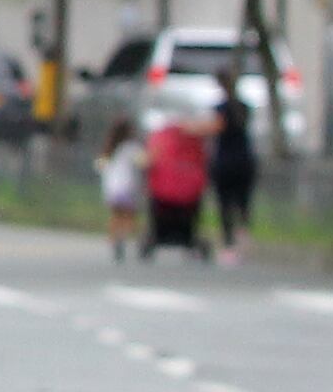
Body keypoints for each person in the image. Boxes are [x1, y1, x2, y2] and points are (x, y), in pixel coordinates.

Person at [143, 99, 211, 258]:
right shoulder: (187, 141)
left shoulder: (166, 138)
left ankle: (171, 235)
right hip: (183, 191)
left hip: (168, 190)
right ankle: (185, 237)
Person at [210, 83, 260, 261]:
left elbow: (216, 127)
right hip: (245, 161)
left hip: (225, 163)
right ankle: (244, 234)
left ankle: (229, 244)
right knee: (243, 202)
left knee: (225, 205)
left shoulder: (221, 109)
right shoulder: (245, 108)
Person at [98, 119, 146, 260]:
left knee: (115, 216)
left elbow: (100, 166)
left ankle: (114, 240)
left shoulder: (109, 148)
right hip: (127, 187)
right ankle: (124, 237)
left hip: (111, 189)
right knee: (129, 216)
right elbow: (143, 162)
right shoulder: (130, 148)